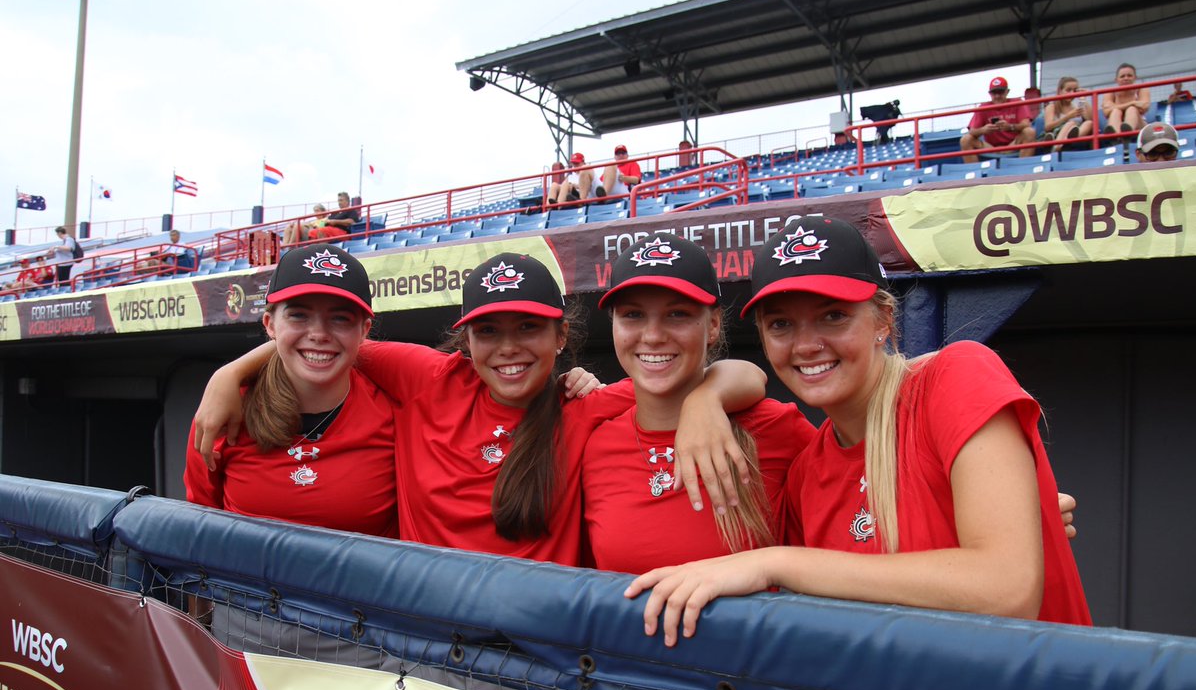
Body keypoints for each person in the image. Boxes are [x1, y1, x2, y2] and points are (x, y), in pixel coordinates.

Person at [627, 217, 1092, 645]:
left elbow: (1006, 590)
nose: (807, 344)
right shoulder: (809, 470)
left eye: (834, 316)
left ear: (884, 320)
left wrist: (776, 562)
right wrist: (704, 396)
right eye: (782, 324)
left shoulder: (955, 377)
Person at [193, 252, 763, 565]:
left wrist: (706, 397)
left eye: (528, 329)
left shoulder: (579, 407)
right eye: (488, 330)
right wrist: (231, 372)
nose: (508, 347)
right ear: (465, 340)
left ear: (562, 338)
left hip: (534, 655)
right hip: (423, 643)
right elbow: (324, 340)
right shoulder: (427, 377)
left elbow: (739, 375)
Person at [583, 234, 816, 575]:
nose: (652, 336)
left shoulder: (776, 427)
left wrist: (706, 400)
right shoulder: (593, 444)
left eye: (677, 314)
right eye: (633, 315)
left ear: (713, 325)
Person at [184, 244, 398, 539]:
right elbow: (200, 522)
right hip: (245, 584)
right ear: (270, 325)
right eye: (298, 315)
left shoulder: (395, 414)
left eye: (340, 318)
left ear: (364, 330)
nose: (319, 334)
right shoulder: (225, 409)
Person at [960, 77, 1038, 162]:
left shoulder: (1017, 102)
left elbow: (1027, 124)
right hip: (991, 147)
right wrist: (984, 130)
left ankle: (1023, 167)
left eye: (1000, 92)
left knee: (1029, 132)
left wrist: (1010, 127)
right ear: (990, 94)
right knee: (965, 139)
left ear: (1007, 92)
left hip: (1013, 144)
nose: (997, 96)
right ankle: (973, 173)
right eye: (994, 93)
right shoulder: (983, 107)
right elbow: (972, 131)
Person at [1043, 77, 1093, 152]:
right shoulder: (1052, 106)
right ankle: (1057, 147)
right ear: (1060, 91)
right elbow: (1048, 127)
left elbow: (1091, 118)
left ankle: (1067, 142)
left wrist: (1083, 99)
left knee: (1089, 123)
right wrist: (1067, 117)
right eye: (1068, 90)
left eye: (1075, 90)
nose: (1072, 93)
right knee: (1071, 123)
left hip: (1077, 135)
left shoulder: (1077, 105)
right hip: (1058, 133)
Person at [1100, 63, 1149, 137]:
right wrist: (1133, 103)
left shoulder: (1141, 89)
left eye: (1129, 75)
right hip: (1116, 122)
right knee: (1116, 112)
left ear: (1135, 77)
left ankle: (1126, 134)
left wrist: (1117, 106)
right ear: (1116, 80)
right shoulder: (1110, 92)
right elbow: (1106, 112)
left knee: (1131, 109)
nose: (1126, 78)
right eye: (1122, 76)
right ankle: (1117, 137)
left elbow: (1144, 107)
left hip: (1139, 125)